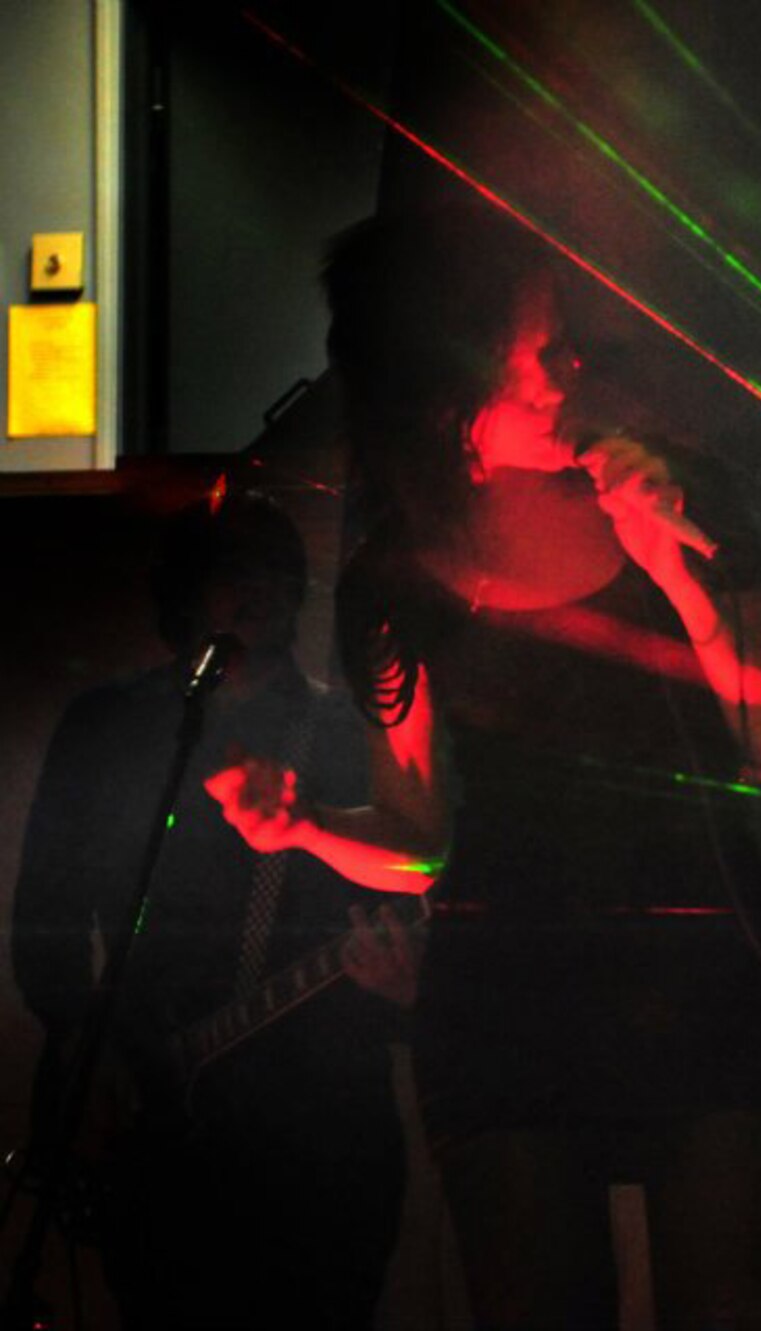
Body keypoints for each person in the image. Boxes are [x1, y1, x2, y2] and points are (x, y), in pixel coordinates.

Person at [206, 208, 761, 1329]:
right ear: (458, 377)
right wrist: (298, 828)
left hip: (707, 990)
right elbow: (421, 837)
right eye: (545, 346)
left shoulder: (675, 488)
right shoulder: (396, 582)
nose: (573, 364)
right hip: (509, 1010)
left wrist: (679, 579)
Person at [11, 488, 416, 1329]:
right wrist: (89, 1045)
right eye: (234, 568)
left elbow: (403, 901)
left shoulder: (344, 732)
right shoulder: (109, 726)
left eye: (276, 568)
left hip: (319, 1131)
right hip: (154, 1127)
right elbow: (46, 918)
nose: (256, 587)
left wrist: (403, 982)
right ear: (186, 588)